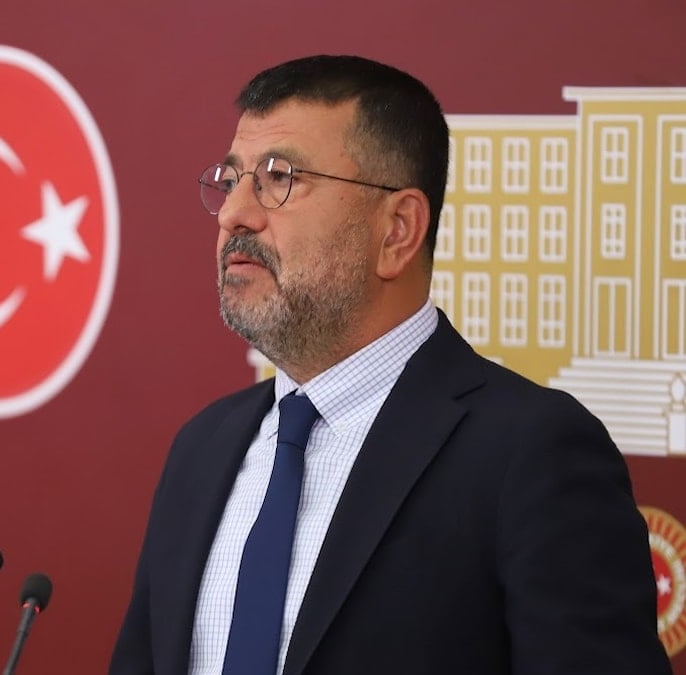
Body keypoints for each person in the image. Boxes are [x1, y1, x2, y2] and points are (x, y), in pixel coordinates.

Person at [109, 55, 670, 675]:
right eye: (232, 179)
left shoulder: (531, 452)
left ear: (398, 230)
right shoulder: (202, 448)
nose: (233, 213)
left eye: (279, 177)